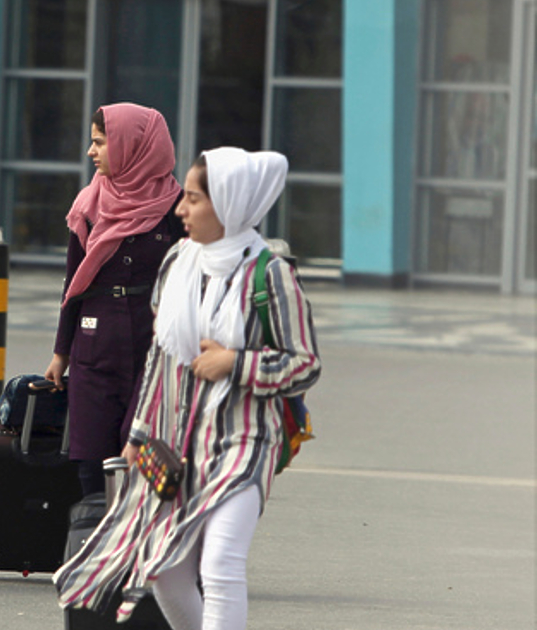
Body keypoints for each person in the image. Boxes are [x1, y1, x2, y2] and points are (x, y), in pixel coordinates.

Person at [54, 147, 321, 630]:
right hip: (180, 446)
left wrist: (235, 364)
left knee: (219, 565)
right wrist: (138, 435)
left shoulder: (270, 274)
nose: (181, 209)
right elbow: (161, 356)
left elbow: (304, 365)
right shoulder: (179, 260)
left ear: (229, 204)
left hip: (245, 444)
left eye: (194, 200)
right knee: (166, 571)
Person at [44, 103, 185, 497]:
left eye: (100, 143)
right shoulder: (89, 205)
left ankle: (138, 546)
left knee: (140, 447)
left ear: (133, 146)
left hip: (154, 344)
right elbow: (73, 283)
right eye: (93, 142)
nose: (92, 152)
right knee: (90, 455)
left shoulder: (176, 206)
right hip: (94, 344)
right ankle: (96, 547)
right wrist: (61, 353)